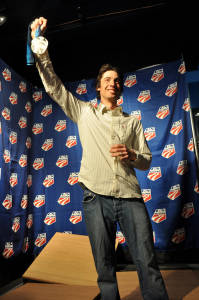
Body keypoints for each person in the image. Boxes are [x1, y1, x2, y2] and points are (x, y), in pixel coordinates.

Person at [31, 17, 169, 300]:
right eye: (107, 80)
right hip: (96, 198)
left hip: (130, 198)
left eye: (117, 81)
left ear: (120, 88)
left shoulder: (133, 122)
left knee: (146, 260)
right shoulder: (85, 113)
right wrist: (40, 50)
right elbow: (55, 87)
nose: (113, 83)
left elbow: (146, 161)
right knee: (105, 267)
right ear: (98, 87)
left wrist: (132, 155)